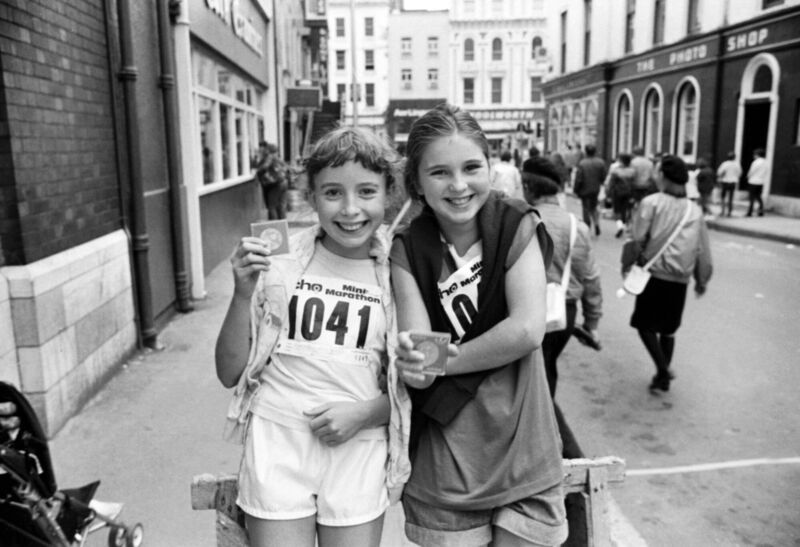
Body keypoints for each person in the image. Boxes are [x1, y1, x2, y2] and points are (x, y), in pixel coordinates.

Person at [215, 126, 411, 547]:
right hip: (278, 441)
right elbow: (230, 372)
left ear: (389, 194)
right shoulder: (279, 257)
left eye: (366, 192)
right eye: (333, 193)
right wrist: (242, 291)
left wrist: (366, 414)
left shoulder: (403, 270)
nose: (351, 209)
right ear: (311, 196)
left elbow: (421, 380)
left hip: (360, 449)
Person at [391, 104, 567, 547]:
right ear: (416, 182)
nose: (458, 185)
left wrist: (445, 362)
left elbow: (527, 330)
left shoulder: (518, 224)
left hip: (525, 450)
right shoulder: (408, 248)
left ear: (491, 166)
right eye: (439, 172)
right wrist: (415, 364)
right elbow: (421, 354)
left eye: (472, 167)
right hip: (445, 459)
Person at [522, 156, 602, 460]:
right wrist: (592, 321)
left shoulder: (523, 220)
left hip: (530, 312)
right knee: (547, 367)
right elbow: (591, 277)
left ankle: (565, 453)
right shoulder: (575, 226)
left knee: (536, 379)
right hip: (564, 313)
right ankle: (543, 434)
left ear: (529, 187)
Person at [621, 155, 713, 393]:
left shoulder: (651, 203)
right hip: (679, 280)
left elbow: (637, 238)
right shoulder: (695, 210)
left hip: (654, 274)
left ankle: (663, 369)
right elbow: (703, 249)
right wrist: (701, 279)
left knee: (644, 325)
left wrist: (627, 263)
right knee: (668, 330)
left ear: (662, 176)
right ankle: (662, 379)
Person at [574, 144, 607, 236]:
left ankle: (587, 226)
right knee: (594, 207)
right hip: (595, 188)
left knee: (585, 209)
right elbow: (603, 175)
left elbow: (579, 178)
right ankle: (596, 224)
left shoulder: (582, 163)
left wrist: (576, 190)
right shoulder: (600, 162)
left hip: (584, 189)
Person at [255, 141, 289, 220]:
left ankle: (274, 226)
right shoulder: (277, 157)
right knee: (281, 206)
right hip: (283, 181)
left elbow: (265, 167)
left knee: (272, 207)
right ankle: (283, 227)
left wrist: (257, 172)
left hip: (276, 184)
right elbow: (286, 167)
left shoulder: (270, 157)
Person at [605, 152, 636, 237]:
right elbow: (633, 184)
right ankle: (624, 224)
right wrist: (633, 195)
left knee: (616, 211)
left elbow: (611, 184)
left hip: (617, 193)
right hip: (628, 194)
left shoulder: (616, 171)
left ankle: (620, 226)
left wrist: (608, 195)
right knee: (625, 210)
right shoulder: (632, 171)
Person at [716, 151, 742, 217]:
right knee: (731, 197)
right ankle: (729, 212)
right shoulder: (737, 164)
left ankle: (722, 211)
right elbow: (739, 173)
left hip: (725, 182)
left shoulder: (725, 164)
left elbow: (719, 172)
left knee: (723, 197)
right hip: (733, 182)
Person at [746, 148, 768, 217]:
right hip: (761, 182)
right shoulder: (766, 162)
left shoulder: (755, 162)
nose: (753, 156)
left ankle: (749, 212)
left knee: (751, 198)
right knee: (758, 197)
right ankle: (761, 211)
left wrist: (748, 176)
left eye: (754, 154)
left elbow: (751, 171)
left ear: (757, 155)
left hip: (753, 181)